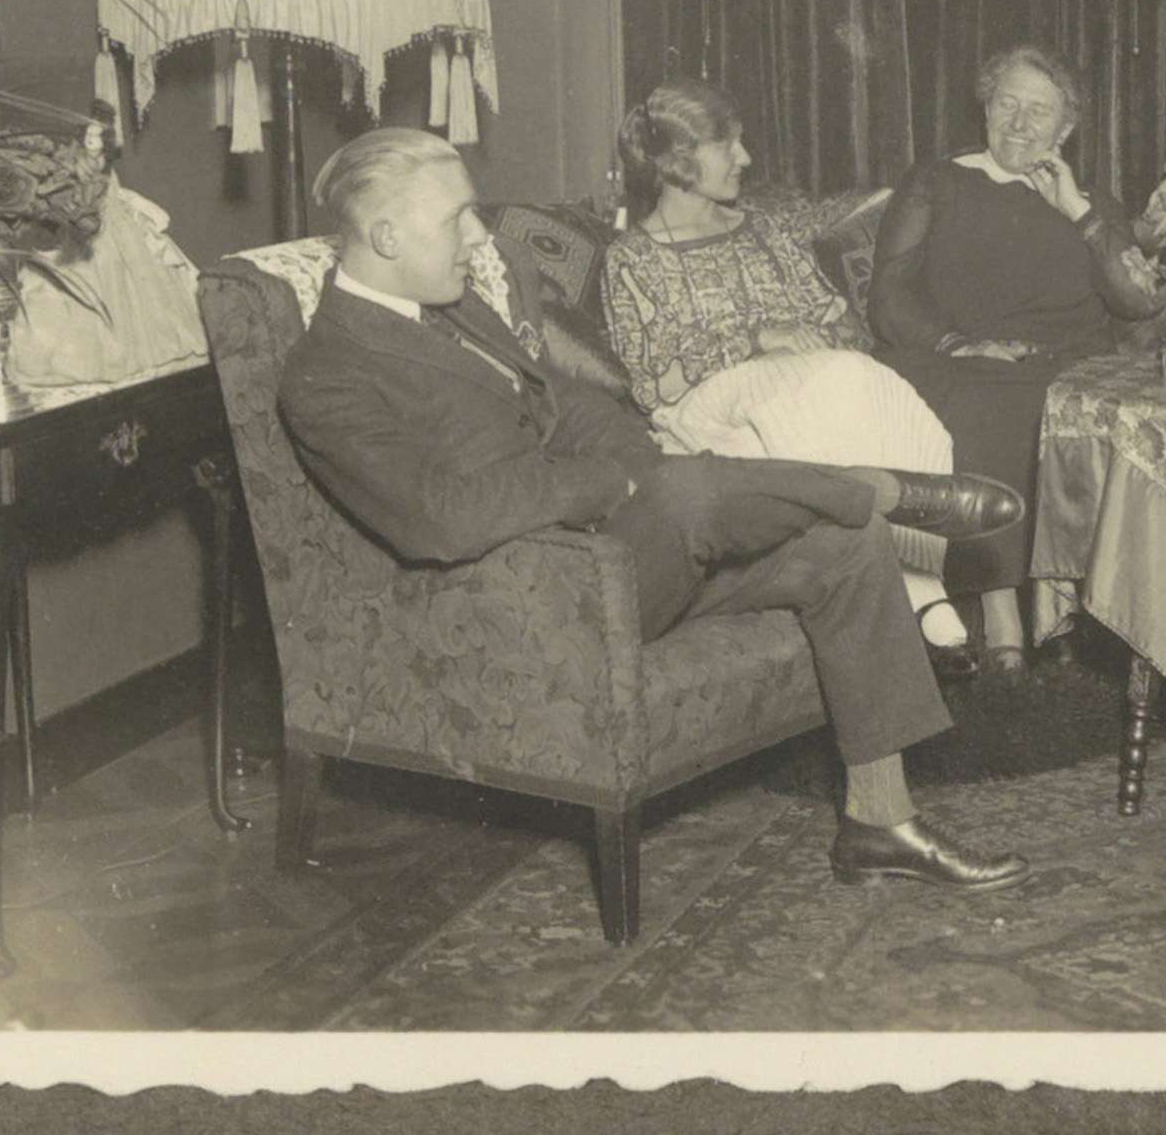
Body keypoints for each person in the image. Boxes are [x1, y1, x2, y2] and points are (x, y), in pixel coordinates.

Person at [277, 127, 1032, 890]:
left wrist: (636, 468)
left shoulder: (453, 308)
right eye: (457, 219)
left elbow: (565, 405)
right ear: (386, 237)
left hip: (620, 559)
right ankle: (880, 486)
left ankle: (881, 822)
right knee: (691, 490)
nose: (479, 236)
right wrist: (609, 484)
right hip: (529, 602)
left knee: (848, 541)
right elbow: (441, 520)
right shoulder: (329, 374)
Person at [602, 79, 975, 675]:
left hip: (805, 389)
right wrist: (757, 340)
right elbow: (652, 382)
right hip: (702, 409)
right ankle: (921, 593)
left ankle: (914, 575)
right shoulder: (632, 258)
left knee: (876, 391)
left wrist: (814, 340)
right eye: (728, 145)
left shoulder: (766, 231)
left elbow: (843, 322)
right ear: (679, 161)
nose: (745, 158)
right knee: (835, 385)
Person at [870, 44, 1161, 674]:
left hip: (1067, 361)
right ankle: (1002, 610)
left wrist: (1076, 210)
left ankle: (1081, 611)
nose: (1020, 123)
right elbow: (889, 292)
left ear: (1066, 129)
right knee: (984, 398)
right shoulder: (938, 181)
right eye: (1007, 103)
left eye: (1039, 111)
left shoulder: (1087, 199)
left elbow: (1139, 300)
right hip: (961, 356)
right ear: (986, 108)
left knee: (1062, 400)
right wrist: (955, 343)